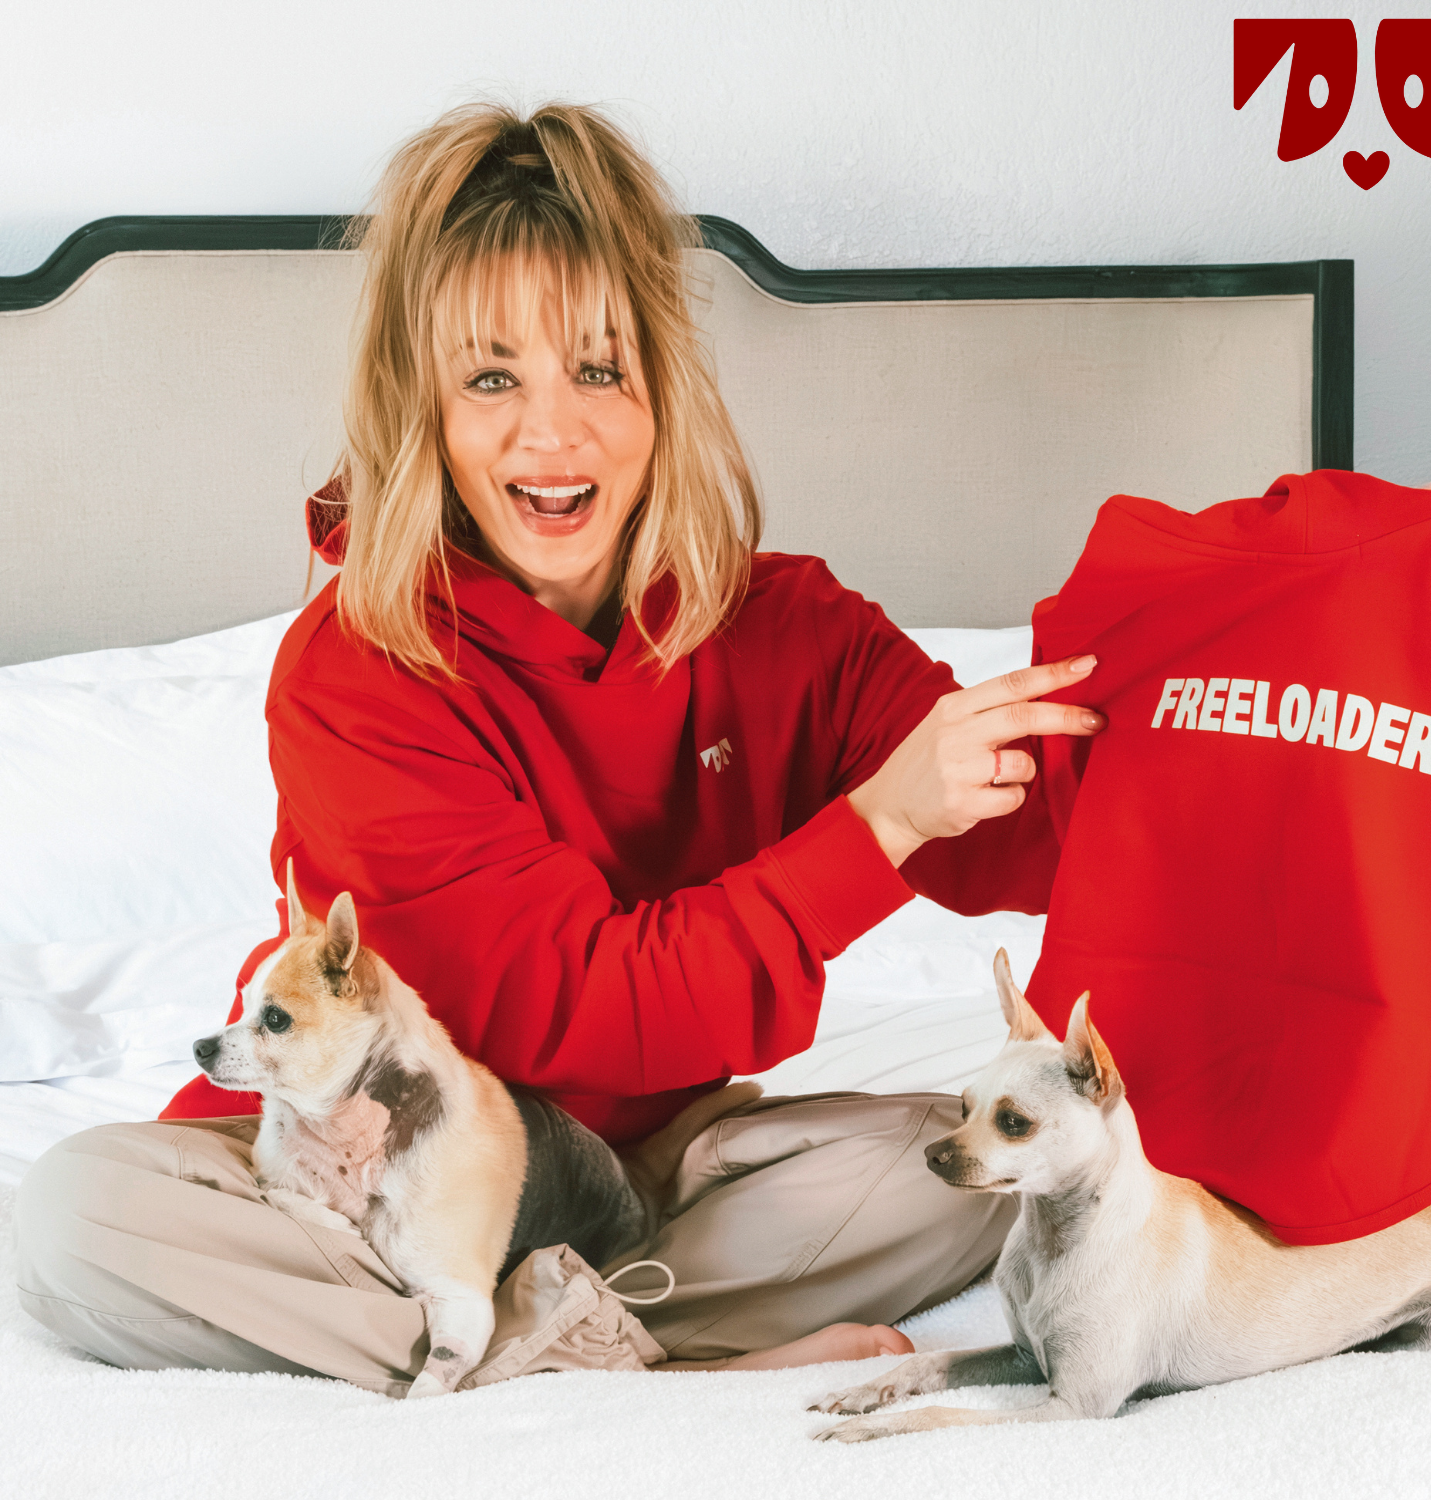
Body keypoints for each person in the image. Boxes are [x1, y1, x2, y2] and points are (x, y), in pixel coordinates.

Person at [14, 102, 1102, 1389]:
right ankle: (629, 1344)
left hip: (655, 1172)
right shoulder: (357, 672)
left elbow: (1039, 828)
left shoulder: (788, 624)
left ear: (662, 388)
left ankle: (530, 1342)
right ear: (421, 405)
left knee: (982, 1162)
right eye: (491, 379)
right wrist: (879, 829)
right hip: (395, 1180)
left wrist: (1214, 695)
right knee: (76, 1221)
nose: (552, 433)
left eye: (598, 369)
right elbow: (579, 1011)